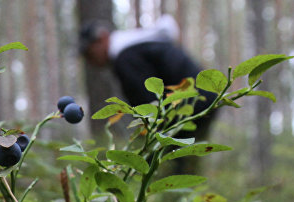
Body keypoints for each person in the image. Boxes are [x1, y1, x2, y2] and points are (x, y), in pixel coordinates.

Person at [80, 16, 217, 141]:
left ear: (103, 38)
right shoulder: (134, 48)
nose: (91, 61)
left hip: (192, 102)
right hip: (203, 97)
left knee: (173, 156)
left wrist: (147, 134)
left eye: (89, 53)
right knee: (186, 153)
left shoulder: (126, 57)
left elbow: (146, 100)